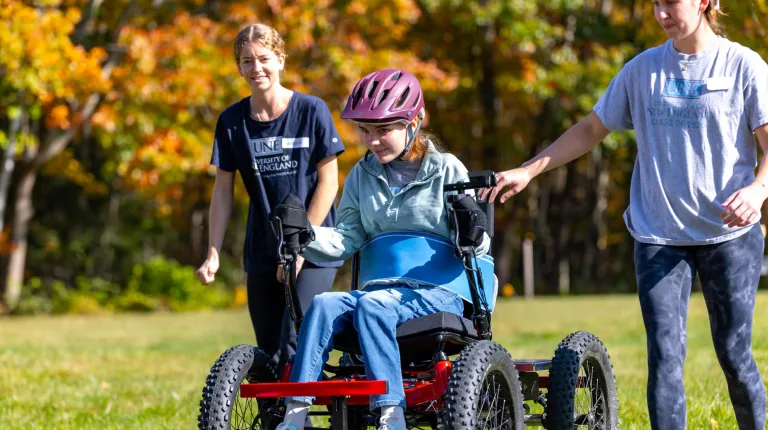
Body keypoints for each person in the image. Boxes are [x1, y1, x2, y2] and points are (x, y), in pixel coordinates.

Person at [482, 1, 768, 428]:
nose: (662, 13)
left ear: (705, 2)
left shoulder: (744, 65)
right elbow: (591, 128)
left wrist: (758, 188)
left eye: (671, 2)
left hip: (730, 234)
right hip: (658, 235)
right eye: (655, 4)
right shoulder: (642, 70)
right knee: (665, 354)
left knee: (733, 353)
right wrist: (528, 170)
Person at [273, 69, 490, 430]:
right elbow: (346, 238)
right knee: (325, 303)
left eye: (384, 130)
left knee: (374, 305)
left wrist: (472, 226)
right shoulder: (361, 174)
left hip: (440, 293)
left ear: (414, 122)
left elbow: (476, 246)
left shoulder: (447, 169)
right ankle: (295, 412)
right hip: (381, 292)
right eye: (365, 130)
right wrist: (305, 236)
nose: (372, 141)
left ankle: (391, 415)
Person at [196, 23, 345, 371]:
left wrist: (299, 247)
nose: (256, 68)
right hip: (264, 249)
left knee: (298, 345)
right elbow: (222, 190)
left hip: (315, 246)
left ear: (280, 60)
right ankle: (280, 425)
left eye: (264, 58)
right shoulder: (232, 121)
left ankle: (302, 420)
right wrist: (213, 253)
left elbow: (329, 182)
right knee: (268, 358)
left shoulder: (311, 110)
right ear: (238, 67)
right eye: (246, 61)